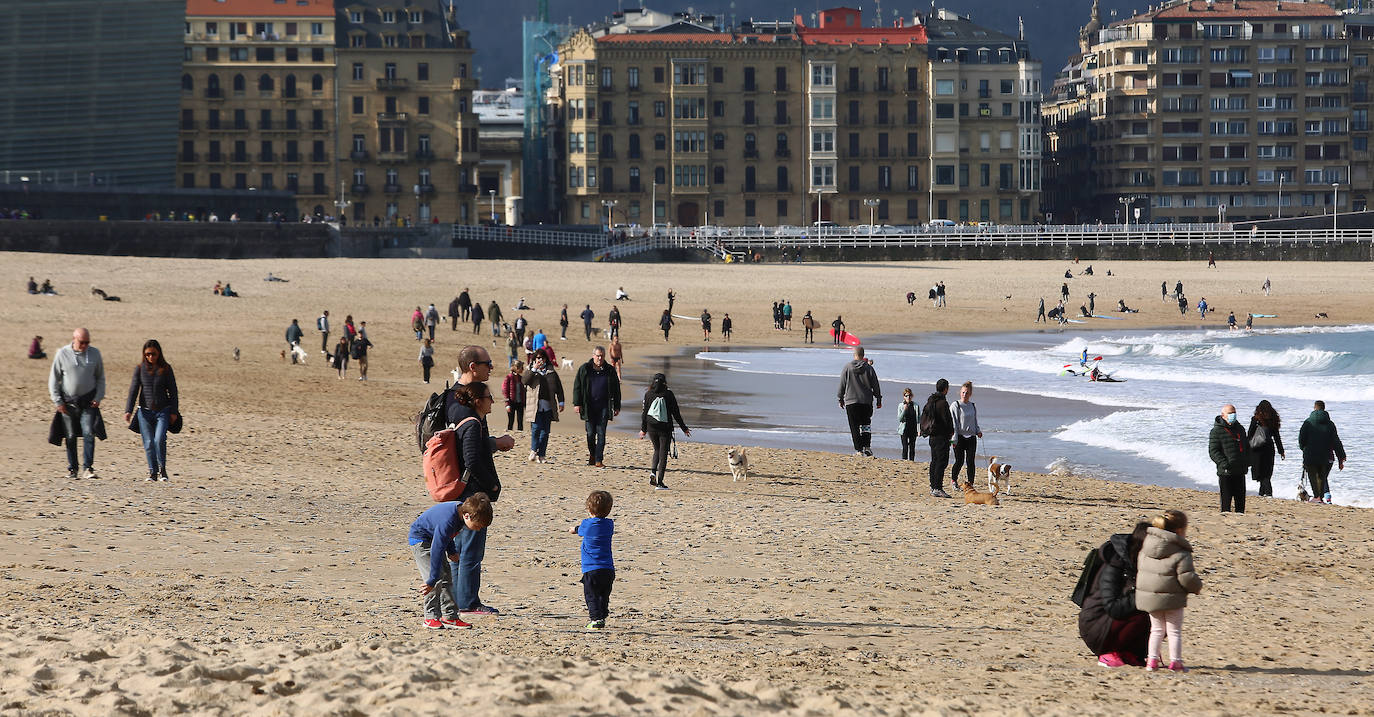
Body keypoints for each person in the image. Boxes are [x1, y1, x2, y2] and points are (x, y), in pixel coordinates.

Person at [445, 379, 509, 616]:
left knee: (460, 551)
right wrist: (492, 485)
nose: (493, 401)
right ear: (478, 401)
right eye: (489, 397)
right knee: (470, 552)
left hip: (464, 494)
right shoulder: (472, 424)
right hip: (471, 494)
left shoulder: (470, 420)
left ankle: (458, 601)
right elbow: (471, 461)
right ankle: (468, 603)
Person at [409, 493, 492, 630]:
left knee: (447, 577)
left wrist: (452, 551)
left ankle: (450, 616)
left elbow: (447, 536)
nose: (479, 529)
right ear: (467, 516)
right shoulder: (448, 519)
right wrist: (431, 580)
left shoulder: (460, 513)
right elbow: (437, 548)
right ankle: (430, 617)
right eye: (478, 525)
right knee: (435, 579)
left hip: (434, 539)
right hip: (421, 541)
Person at [1136, 510, 1203, 673]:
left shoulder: (1146, 547)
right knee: (1174, 631)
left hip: (1150, 597)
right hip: (1172, 598)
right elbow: (1186, 577)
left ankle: (1152, 661)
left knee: (1156, 630)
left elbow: (1142, 570)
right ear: (1180, 531)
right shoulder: (1181, 551)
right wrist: (1196, 587)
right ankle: (1176, 661)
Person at [1079, 521, 1152, 668]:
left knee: (1164, 614)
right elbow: (1112, 607)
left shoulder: (1144, 563)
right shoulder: (1114, 563)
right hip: (1098, 623)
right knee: (1145, 614)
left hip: (1114, 620)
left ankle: (1129, 652)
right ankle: (1109, 651)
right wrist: (1143, 595)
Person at [49, 328, 106, 480]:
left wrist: (98, 397)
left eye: (87, 342)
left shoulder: (95, 354)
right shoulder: (62, 354)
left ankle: (88, 468)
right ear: (74, 339)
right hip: (68, 403)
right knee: (70, 435)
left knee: (89, 433)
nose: (85, 345)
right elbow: (54, 379)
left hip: (88, 402)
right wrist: (57, 401)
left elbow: (100, 378)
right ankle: (73, 469)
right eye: (82, 342)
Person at [123, 339, 179, 482]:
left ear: (159, 354)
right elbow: (134, 390)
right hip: (144, 412)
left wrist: (174, 411)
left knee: (159, 439)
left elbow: (173, 391)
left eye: (153, 354)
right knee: (148, 442)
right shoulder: (140, 369)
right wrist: (128, 410)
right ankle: (152, 472)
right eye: (147, 354)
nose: (150, 357)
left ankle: (162, 469)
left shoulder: (166, 369)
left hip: (163, 411)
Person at [571, 490, 616, 630]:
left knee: (591, 595)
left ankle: (596, 619)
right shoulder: (609, 524)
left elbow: (579, 530)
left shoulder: (587, 524)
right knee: (603, 594)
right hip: (608, 569)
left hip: (591, 568)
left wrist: (573, 529)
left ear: (589, 509)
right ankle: (602, 613)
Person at [639, 372, 690, 489]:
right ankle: (660, 482)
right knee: (663, 454)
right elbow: (676, 413)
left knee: (656, 449)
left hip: (651, 427)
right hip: (665, 429)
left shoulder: (648, 394)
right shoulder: (668, 394)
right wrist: (684, 428)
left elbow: (644, 413)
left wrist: (643, 429)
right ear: (665, 383)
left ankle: (653, 472)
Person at [573, 346, 621, 468]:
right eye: (598, 355)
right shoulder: (585, 369)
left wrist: (617, 406)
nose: (600, 358)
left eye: (602, 356)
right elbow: (577, 386)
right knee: (590, 434)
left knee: (601, 433)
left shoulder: (610, 370)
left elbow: (616, 389)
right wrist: (577, 403)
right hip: (588, 407)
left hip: (604, 407)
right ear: (593, 355)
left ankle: (599, 460)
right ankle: (592, 454)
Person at [837, 346, 882, 457]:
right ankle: (867, 446)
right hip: (866, 401)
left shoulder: (847, 367)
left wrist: (840, 398)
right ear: (863, 355)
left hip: (851, 401)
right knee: (866, 424)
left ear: (854, 355)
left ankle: (859, 450)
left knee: (854, 427)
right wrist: (878, 399)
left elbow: (842, 384)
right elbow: (875, 385)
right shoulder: (869, 368)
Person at [1298, 400, 1346, 504]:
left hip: (1310, 455)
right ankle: (1320, 498)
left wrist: (1304, 449)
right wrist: (1341, 457)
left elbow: (1301, 439)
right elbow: (1336, 441)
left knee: (1313, 477)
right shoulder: (1330, 424)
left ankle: (1317, 497)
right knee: (1322, 478)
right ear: (1324, 409)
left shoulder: (1307, 422)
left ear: (1314, 408)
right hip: (1325, 456)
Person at [1208, 403, 1252, 513]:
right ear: (1223, 415)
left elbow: (1246, 447)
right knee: (1226, 504)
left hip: (1240, 471)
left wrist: (1248, 461)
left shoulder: (1240, 429)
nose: (1233, 415)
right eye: (1230, 413)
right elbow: (1213, 451)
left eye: (1234, 413)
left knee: (1240, 505)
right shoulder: (1216, 431)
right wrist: (1225, 464)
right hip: (1226, 472)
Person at [522, 352, 565, 463]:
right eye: (538, 358)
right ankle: (533, 450)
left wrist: (561, 402)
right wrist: (534, 369)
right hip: (534, 405)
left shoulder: (551, 372)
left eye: (542, 358)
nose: (540, 360)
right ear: (534, 359)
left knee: (545, 432)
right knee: (536, 428)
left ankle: (541, 455)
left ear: (546, 359)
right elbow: (524, 381)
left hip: (548, 406)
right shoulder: (530, 370)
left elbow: (559, 388)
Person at [920, 379, 955, 497]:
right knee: (941, 462)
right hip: (941, 436)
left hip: (932, 436)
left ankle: (933, 486)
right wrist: (951, 432)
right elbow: (947, 420)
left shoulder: (931, 401)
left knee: (934, 461)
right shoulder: (942, 403)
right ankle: (937, 487)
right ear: (946, 389)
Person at [1246, 400, 1285, 498]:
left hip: (1257, 448)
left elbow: (1250, 434)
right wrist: (1281, 451)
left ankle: (1268, 493)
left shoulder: (1256, 419)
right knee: (1267, 472)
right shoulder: (1273, 420)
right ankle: (1262, 493)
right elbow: (1277, 437)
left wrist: (1246, 447)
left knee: (1260, 472)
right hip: (1269, 448)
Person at [949, 381, 983, 487]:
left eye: (967, 393)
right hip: (958, 437)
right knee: (959, 461)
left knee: (970, 461)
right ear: (960, 393)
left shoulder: (972, 405)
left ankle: (970, 483)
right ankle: (954, 480)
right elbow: (953, 423)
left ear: (970, 394)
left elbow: (974, 421)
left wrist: (978, 431)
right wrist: (954, 439)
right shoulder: (955, 405)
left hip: (971, 437)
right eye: (963, 392)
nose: (965, 394)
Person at [502, 361, 527, 432]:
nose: (523, 369)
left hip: (520, 402)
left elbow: (524, 391)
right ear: (516, 368)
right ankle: (509, 434)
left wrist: (525, 403)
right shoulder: (509, 377)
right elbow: (505, 391)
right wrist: (507, 404)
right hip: (511, 402)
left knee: (520, 421)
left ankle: (520, 434)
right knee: (511, 421)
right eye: (521, 368)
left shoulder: (521, 378)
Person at [897, 388, 920, 462]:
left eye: (909, 395)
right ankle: (904, 461)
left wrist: (919, 430)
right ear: (904, 396)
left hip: (913, 429)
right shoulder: (901, 405)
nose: (908, 397)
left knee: (912, 447)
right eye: (906, 396)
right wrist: (904, 410)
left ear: (912, 396)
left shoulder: (915, 405)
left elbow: (918, 419)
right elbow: (900, 419)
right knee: (905, 447)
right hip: (904, 429)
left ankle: (911, 461)